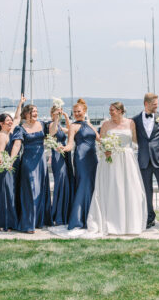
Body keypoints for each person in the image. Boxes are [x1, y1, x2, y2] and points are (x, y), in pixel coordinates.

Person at [86, 102, 148, 235]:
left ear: (120, 111)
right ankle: (112, 222)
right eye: (110, 110)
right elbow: (101, 142)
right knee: (112, 189)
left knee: (130, 189)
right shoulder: (105, 124)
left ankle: (130, 224)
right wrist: (105, 150)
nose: (110, 113)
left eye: (112, 110)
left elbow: (136, 140)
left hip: (127, 160)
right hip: (110, 161)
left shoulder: (131, 123)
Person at [132, 93, 159, 231]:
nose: (157, 106)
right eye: (154, 104)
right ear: (146, 104)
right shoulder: (136, 120)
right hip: (144, 161)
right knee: (146, 192)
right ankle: (150, 218)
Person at [63, 98, 100, 230]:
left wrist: (112, 145)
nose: (77, 114)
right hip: (81, 159)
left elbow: (99, 139)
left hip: (93, 158)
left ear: (84, 111)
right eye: (74, 112)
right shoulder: (73, 126)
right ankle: (78, 219)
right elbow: (70, 144)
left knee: (92, 185)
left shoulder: (89, 124)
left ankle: (91, 216)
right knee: (83, 185)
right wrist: (64, 148)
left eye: (79, 111)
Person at [17, 104, 52, 233]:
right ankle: (28, 223)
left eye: (36, 111)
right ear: (26, 114)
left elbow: (52, 133)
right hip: (28, 160)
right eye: (33, 112)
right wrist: (11, 159)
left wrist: (57, 119)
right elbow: (17, 145)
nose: (35, 113)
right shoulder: (21, 128)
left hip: (41, 160)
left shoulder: (42, 125)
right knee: (31, 190)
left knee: (40, 189)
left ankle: (39, 220)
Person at [0, 113, 22, 232]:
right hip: (4, 169)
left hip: (11, 167)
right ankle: (4, 223)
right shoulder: (1, 136)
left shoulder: (9, 133)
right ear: (1, 124)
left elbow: (17, 118)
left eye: (10, 120)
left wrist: (20, 103)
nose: (10, 122)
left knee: (10, 194)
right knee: (5, 195)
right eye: (7, 121)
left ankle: (11, 221)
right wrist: (4, 162)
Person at [47, 105, 74, 226]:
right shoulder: (51, 125)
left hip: (65, 154)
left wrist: (66, 117)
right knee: (61, 181)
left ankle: (65, 212)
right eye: (55, 112)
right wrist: (57, 118)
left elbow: (70, 130)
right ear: (52, 113)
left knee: (66, 180)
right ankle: (58, 214)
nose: (58, 113)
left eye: (59, 112)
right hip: (57, 154)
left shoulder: (59, 126)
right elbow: (52, 132)